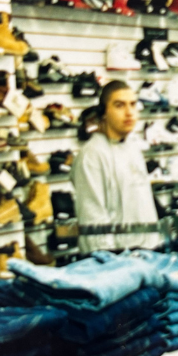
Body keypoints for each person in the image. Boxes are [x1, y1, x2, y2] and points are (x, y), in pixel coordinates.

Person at [71, 80, 160, 251]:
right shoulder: (92, 155)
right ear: (104, 112)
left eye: (133, 105)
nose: (129, 113)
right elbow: (93, 220)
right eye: (119, 105)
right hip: (118, 263)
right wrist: (111, 265)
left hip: (147, 254)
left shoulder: (133, 146)